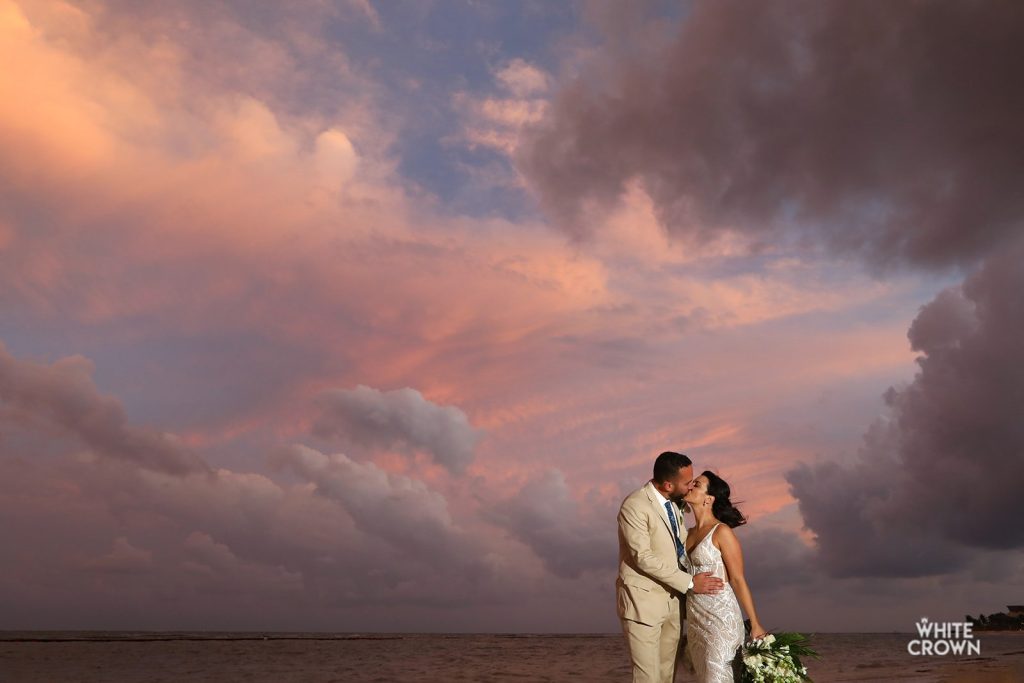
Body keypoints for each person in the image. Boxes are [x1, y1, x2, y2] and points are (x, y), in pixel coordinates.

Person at [617, 452, 726, 683]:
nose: (690, 487)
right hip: (642, 604)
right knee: (647, 677)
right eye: (687, 483)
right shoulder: (634, 506)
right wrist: (689, 583)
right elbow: (642, 557)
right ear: (668, 484)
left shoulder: (675, 505)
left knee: (667, 676)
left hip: (674, 603)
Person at [681, 471, 766, 682]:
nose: (690, 486)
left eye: (697, 484)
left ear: (709, 499)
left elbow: (738, 579)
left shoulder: (722, 532)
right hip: (695, 622)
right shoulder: (686, 534)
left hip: (721, 620)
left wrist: (755, 624)